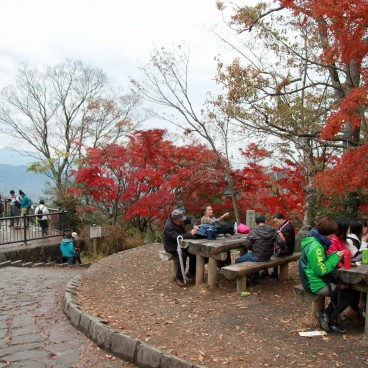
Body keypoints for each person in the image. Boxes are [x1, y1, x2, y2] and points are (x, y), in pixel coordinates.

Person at [299, 217, 358, 333]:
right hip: (313, 283)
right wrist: (335, 257)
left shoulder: (316, 242)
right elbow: (321, 270)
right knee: (348, 294)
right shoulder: (316, 247)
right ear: (328, 233)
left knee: (346, 291)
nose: (334, 236)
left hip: (314, 279)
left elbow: (321, 264)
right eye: (333, 233)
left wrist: (334, 255)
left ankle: (328, 315)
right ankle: (331, 320)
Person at [326, 218, 363, 326]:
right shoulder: (334, 241)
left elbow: (345, 256)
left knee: (356, 288)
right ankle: (332, 317)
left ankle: (352, 311)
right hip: (334, 274)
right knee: (349, 293)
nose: (349, 230)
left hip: (340, 271)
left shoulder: (343, 240)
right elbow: (333, 260)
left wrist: (349, 263)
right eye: (347, 228)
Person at [235, 214, 278, 285]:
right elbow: (279, 241)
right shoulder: (272, 230)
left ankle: (246, 280)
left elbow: (247, 245)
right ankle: (255, 279)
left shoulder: (253, 231)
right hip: (268, 256)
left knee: (238, 261)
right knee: (252, 260)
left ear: (256, 222)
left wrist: (253, 248)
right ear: (265, 221)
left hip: (257, 256)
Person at [163, 209, 198, 287]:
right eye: (180, 220)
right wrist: (190, 233)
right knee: (182, 255)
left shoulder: (179, 220)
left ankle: (191, 272)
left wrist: (194, 224)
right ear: (174, 220)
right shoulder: (169, 226)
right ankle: (179, 277)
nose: (182, 221)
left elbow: (191, 218)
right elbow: (179, 238)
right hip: (171, 246)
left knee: (194, 251)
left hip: (181, 244)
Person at [263, 212, 296, 278]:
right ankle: (272, 272)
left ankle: (266, 272)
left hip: (287, 250)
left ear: (281, 219)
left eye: (277, 221)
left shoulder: (287, 228)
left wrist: (276, 245)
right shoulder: (284, 225)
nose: (276, 223)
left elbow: (286, 242)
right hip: (285, 248)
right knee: (268, 250)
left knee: (266, 252)